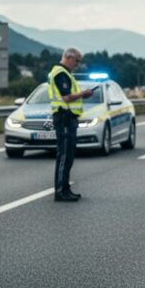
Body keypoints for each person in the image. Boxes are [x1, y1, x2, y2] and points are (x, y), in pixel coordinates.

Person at [47, 48, 95, 202]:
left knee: (69, 155)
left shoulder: (66, 73)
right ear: (68, 57)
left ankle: (65, 189)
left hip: (68, 117)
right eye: (77, 60)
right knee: (64, 155)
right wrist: (83, 94)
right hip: (64, 116)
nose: (78, 64)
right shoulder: (60, 73)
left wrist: (81, 95)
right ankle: (60, 191)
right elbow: (66, 97)